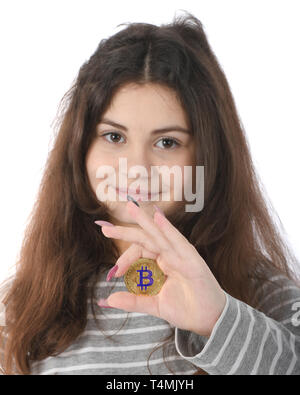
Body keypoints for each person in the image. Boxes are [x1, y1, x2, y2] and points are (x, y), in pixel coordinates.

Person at [1, 11, 300, 375]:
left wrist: (218, 319)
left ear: (206, 156)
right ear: (81, 150)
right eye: (114, 137)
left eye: (167, 142)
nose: (137, 166)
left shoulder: (267, 296)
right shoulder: (24, 307)